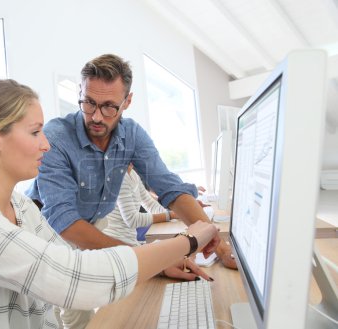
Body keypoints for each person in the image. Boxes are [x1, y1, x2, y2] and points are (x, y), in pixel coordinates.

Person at [0, 77, 220, 329]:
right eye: (35, 132)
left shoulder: (22, 208)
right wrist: (188, 241)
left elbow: (77, 262)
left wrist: (158, 263)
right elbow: (72, 280)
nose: (46, 144)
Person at [27, 53, 236, 269]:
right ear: (80, 93)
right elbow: (63, 220)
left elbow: (171, 189)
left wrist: (220, 247)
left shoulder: (132, 134)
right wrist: (150, 260)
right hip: (44, 235)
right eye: (89, 103)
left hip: (87, 232)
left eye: (109, 106)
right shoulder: (56, 137)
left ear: (127, 101)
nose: (97, 117)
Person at [101, 163, 177, 245]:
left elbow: (150, 204)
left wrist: (175, 214)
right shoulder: (119, 177)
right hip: (118, 243)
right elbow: (132, 220)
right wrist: (170, 215)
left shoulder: (133, 174)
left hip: (130, 240)